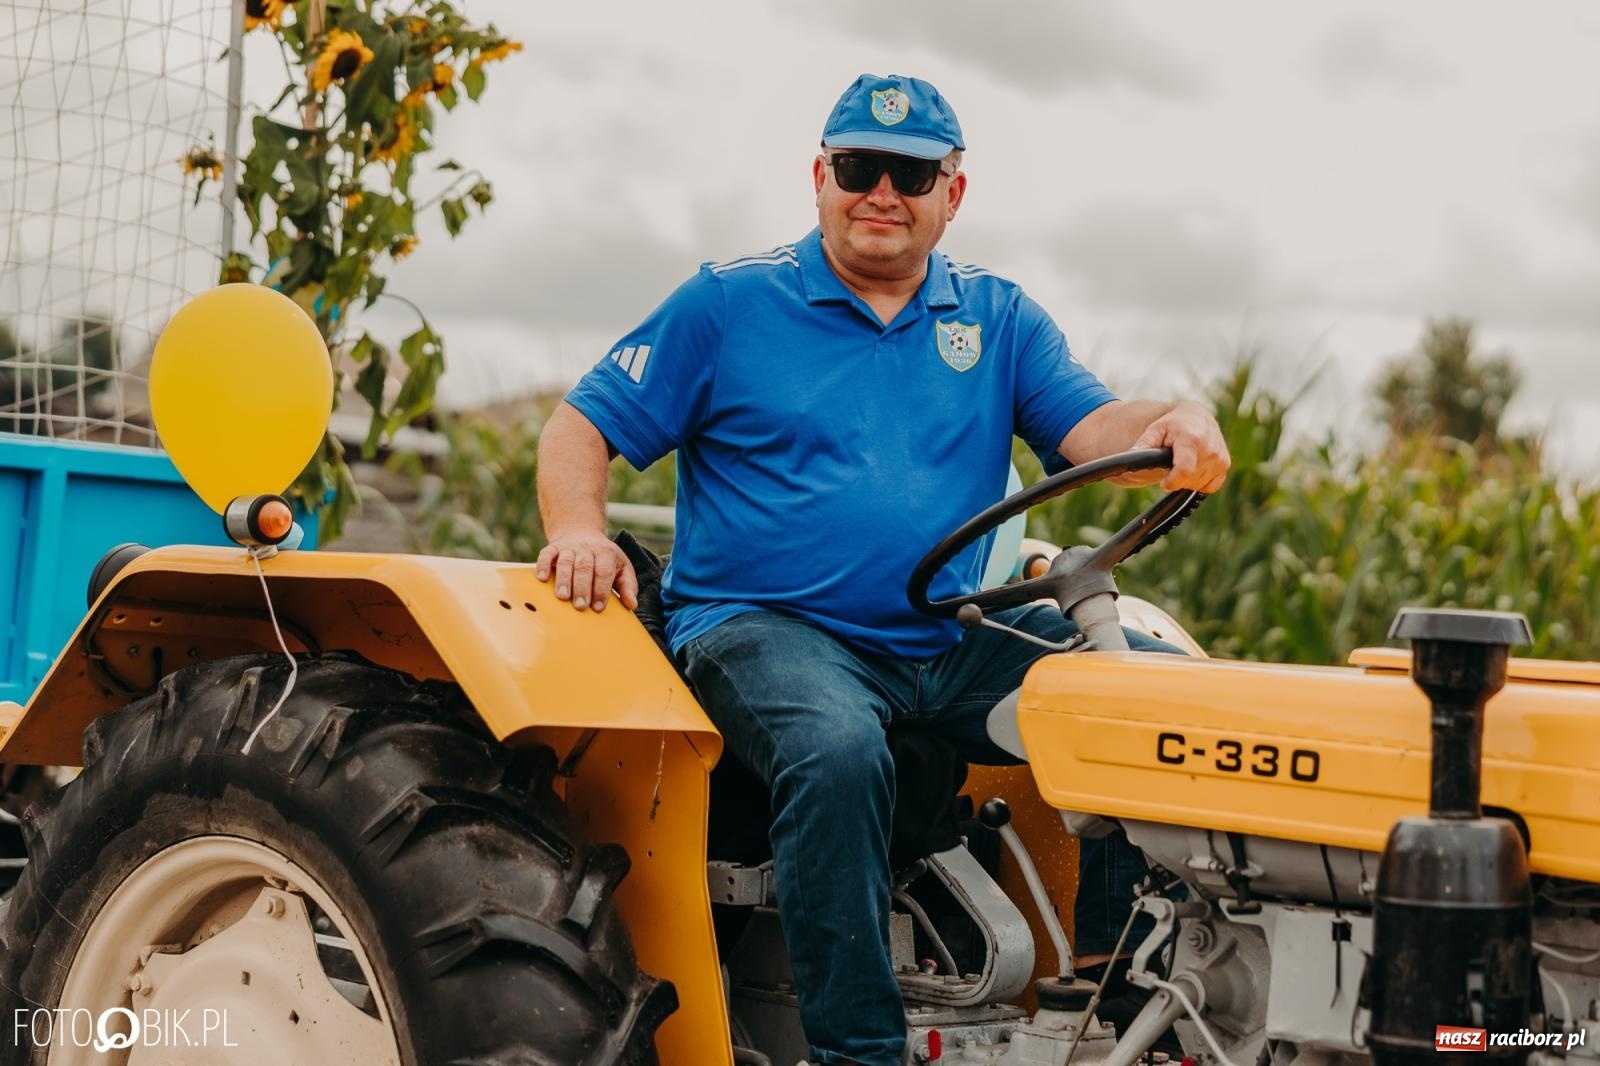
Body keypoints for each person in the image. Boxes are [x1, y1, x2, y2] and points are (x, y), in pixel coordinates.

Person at [536, 73, 1230, 1066]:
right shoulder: (729, 304)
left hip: (940, 640)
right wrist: (578, 529)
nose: (881, 194)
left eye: (910, 174)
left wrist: (1168, 420)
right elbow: (582, 424)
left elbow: (1091, 430)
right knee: (837, 748)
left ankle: (1123, 1012)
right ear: (820, 177)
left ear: (953, 192)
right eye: (859, 167)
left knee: (1150, 709)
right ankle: (858, 1052)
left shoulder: (994, 319)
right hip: (761, 627)